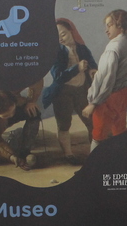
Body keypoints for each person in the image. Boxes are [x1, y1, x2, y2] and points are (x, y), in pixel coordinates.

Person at [82, 0, 127, 152]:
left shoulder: (113, 48)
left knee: (98, 135)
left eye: (109, 25)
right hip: (124, 93)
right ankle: (121, 160)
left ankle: (93, 164)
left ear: (119, 25)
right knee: (119, 130)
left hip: (108, 98)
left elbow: (108, 79)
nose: (106, 30)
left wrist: (93, 103)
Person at [41, 19, 97, 164]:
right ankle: (68, 154)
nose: (60, 38)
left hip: (82, 90)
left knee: (91, 122)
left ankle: (95, 152)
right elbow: (58, 76)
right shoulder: (55, 51)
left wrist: (93, 71)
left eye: (63, 34)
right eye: (56, 36)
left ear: (72, 31)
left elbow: (92, 63)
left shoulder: (82, 48)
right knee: (64, 124)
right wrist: (76, 68)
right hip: (63, 93)